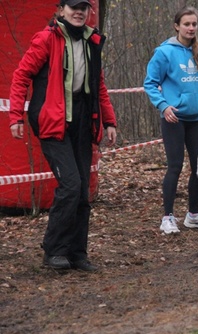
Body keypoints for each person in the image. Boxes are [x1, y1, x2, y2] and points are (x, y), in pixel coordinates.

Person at [8, 0, 117, 271]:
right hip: (52, 123)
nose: (79, 12)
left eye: (84, 8)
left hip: (83, 121)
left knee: (82, 190)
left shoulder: (92, 41)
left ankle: (77, 254)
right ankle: (54, 250)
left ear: (89, 12)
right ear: (60, 10)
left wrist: (110, 121)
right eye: (73, 7)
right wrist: (14, 117)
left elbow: (98, 85)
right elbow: (21, 76)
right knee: (70, 185)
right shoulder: (46, 39)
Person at [144, 7, 198, 234]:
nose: (191, 28)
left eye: (194, 24)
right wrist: (164, 106)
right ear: (177, 26)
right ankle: (167, 217)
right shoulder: (164, 53)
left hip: (195, 119)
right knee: (175, 166)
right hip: (173, 119)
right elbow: (150, 83)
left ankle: (193, 215)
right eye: (186, 24)